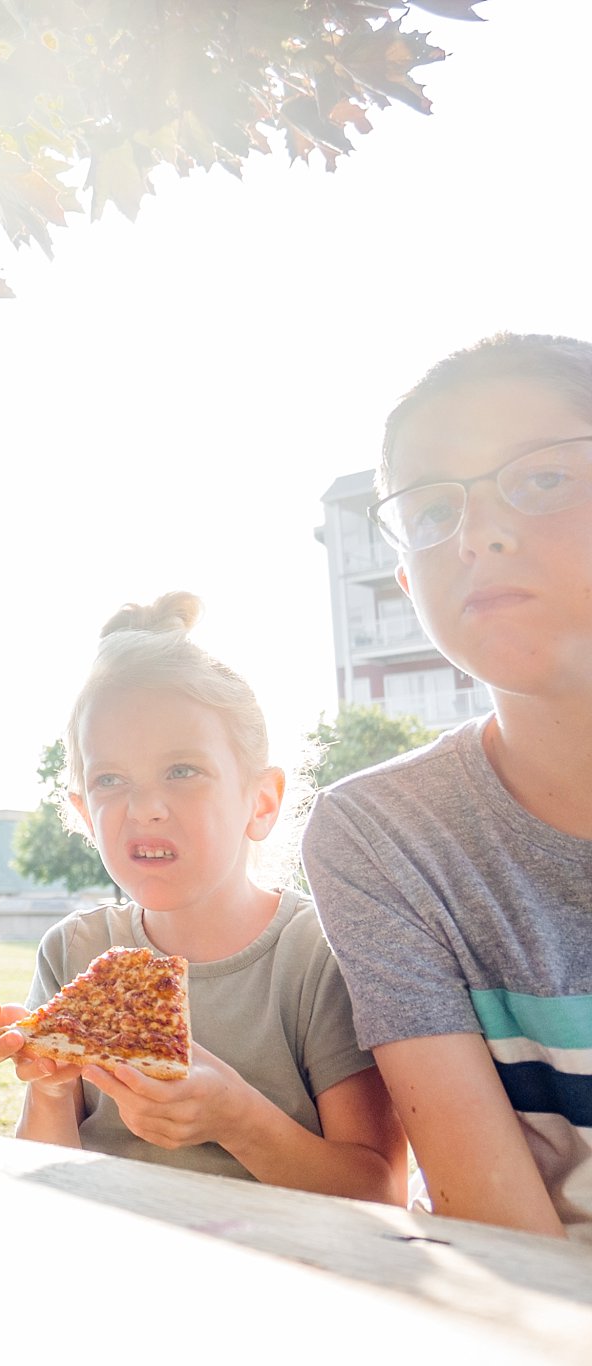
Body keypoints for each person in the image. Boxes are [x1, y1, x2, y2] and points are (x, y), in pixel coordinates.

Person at [0, 593, 405, 1201]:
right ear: (83, 813)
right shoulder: (75, 950)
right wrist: (46, 1085)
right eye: (110, 780)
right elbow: (47, 1182)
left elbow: (379, 1190)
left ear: (262, 801)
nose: (144, 807)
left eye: (182, 771)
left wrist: (235, 1118)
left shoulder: (317, 958)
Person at [303, 333, 592, 1241]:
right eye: (431, 509)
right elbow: (503, 1232)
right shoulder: (378, 836)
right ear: (405, 577)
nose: (477, 533)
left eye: (542, 479)